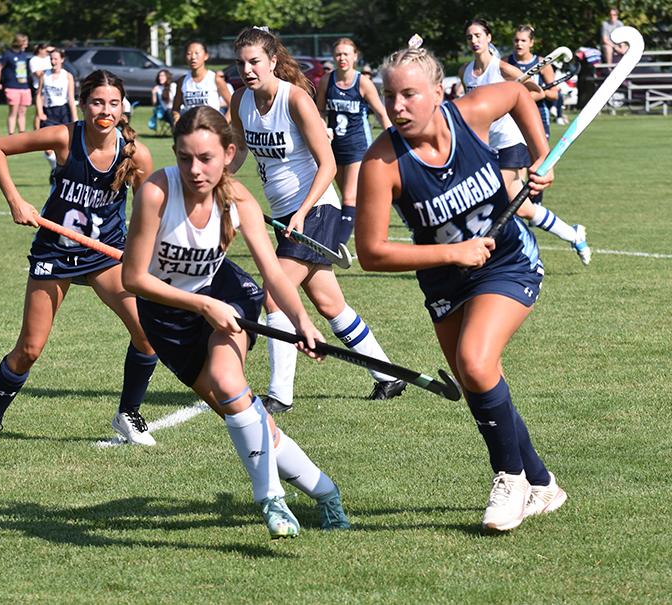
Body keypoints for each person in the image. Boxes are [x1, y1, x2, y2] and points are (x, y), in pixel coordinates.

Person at [356, 40, 568, 533]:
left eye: (409, 94)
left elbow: (517, 93)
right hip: (446, 278)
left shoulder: (470, 115)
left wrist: (544, 157)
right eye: (390, 96)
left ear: (437, 92)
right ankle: (543, 484)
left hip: (507, 260)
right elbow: (371, 252)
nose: (397, 106)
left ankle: (509, 478)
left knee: (475, 362)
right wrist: (452, 253)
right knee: (478, 379)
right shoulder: (381, 164)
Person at [121, 105, 350, 538]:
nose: (195, 169)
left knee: (229, 381)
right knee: (244, 413)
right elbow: (134, 279)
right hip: (168, 318)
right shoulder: (156, 193)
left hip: (226, 295)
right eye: (185, 157)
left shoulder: (238, 199)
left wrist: (302, 320)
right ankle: (326, 492)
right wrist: (200, 306)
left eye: (206, 158)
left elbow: (273, 272)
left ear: (228, 153)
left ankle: (270, 499)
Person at [0, 70, 159, 447]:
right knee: (30, 348)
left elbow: (150, 210)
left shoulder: (135, 153)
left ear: (123, 108)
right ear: (83, 105)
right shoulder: (64, 137)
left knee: (147, 334)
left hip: (104, 254)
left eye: (112, 103)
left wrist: (142, 250)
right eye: (96, 103)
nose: (104, 111)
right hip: (56, 252)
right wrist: (15, 200)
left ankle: (128, 413)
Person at [230, 26, 406, 414]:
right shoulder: (240, 99)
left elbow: (328, 164)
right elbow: (240, 149)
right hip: (285, 213)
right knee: (330, 304)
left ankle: (279, 396)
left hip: (315, 208)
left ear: (273, 61)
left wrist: (303, 211)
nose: (247, 69)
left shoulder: (295, 100)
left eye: (255, 61)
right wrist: (219, 177)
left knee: (274, 295)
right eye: (241, 63)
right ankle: (388, 375)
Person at [460, 19, 591, 266]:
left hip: (509, 139)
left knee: (498, 195)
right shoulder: (465, 71)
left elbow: (537, 92)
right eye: (470, 37)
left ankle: (495, 256)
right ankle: (573, 234)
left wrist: (507, 97)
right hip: (483, 144)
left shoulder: (503, 69)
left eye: (479, 35)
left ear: (489, 37)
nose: (475, 41)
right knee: (521, 208)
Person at [315, 38, 391, 246]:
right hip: (334, 147)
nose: (342, 58)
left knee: (349, 197)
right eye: (338, 54)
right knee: (345, 198)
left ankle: (336, 245)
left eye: (346, 54)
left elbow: (381, 113)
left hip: (358, 147)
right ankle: (359, 226)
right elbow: (319, 111)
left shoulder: (362, 82)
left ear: (355, 57)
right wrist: (322, 129)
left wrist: (394, 139)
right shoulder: (326, 81)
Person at [507, 25, 558, 140]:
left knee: (540, 155)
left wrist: (541, 92)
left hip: (538, 114)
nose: (519, 44)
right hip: (513, 115)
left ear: (531, 43)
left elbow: (555, 95)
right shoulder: (506, 62)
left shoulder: (542, 63)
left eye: (523, 41)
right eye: (516, 40)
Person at [36, 48, 78, 177]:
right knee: (47, 147)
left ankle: (60, 171)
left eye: (55, 59)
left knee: (64, 146)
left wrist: (74, 117)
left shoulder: (67, 76)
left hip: (63, 111)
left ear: (62, 60)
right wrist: (40, 112)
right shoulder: (44, 75)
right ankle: (56, 168)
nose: (53, 61)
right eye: (51, 59)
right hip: (49, 112)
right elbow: (38, 95)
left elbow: (71, 98)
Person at [172, 41, 232, 125]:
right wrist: (176, 121)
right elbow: (175, 108)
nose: (193, 57)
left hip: (212, 129)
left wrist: (224, 124)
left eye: (197, 53)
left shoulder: (215, 79)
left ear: (206, 56)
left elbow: (232, 105)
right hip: (191, 130)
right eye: (189, 54)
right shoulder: (182, 81)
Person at [0, 33, 32, 135]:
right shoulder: (8, 54)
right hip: (12, 87)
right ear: (19, 42)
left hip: (24, 87)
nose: (27, 45)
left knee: (22, 112)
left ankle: (22, 134)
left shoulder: (23, 55)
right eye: (25, 42)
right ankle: (11, 134)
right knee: (13, 112)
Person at [28, 43, 54, 130]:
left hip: (50, 88)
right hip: (39, 88)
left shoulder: (48, 59)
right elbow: (38, 74)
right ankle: (36, 131)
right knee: (39, 112)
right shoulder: (34, 60)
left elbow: (57, 53)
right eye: (45, 50)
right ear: (40, 50)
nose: (47, 52)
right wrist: (50, 71)